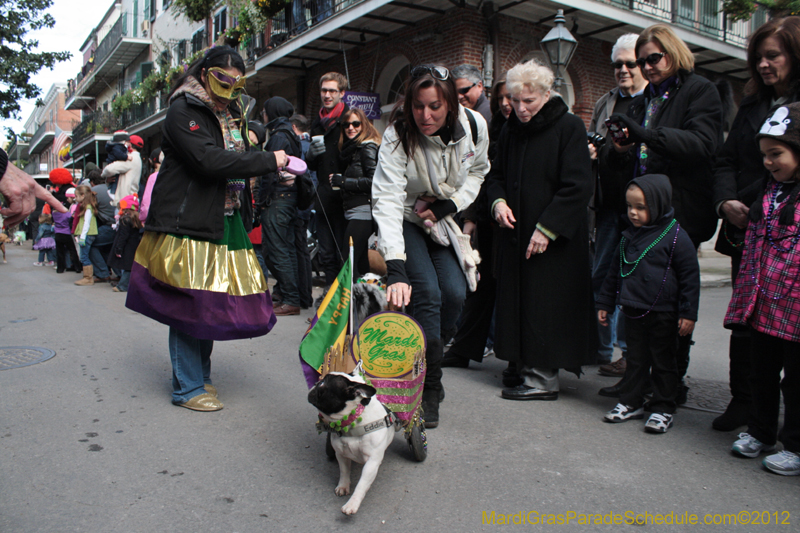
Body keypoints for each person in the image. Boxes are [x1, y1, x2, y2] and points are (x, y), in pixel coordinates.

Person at [125, 46, 286, 412]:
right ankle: (188, 386)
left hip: (222, 218)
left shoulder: (229, 113)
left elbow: (233, 156)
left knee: (209, 304)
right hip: (188, 221)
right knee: (188, 303)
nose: (229, 87)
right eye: (222, 79)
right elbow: (209, 159)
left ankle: (201, 378)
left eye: (236, 82)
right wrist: (268, 160)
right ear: (205, 72)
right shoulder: (184, 109)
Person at [607, 24, 724, 404]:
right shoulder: (645, 98)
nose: (646, 66)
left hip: (682, 214)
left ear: (673, 53)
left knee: (671, 306)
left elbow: (703, 144)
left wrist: (643, 134)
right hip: (644, 216)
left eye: (652, 58)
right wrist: (622, 146)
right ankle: (638, 381)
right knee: (641, 303)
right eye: (642, 61)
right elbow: (637, 150)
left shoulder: (699, 90)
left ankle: (669, 386)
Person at [372, 64, 489, 428]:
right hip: (405, 221)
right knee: (428, 295)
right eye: (418, 106)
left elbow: (478, 172)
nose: (426, 115)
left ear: (451, 103)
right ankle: (429, 386)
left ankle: (427, 352)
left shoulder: (473, 126)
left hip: (439, 221)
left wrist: (446, 207)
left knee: (454, 293)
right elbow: (388, 200)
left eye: (435, 106)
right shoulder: (396, 136)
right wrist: (396, 269)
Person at [486, 60, 596, 401]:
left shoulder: (569, 126)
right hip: (516, 233)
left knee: (545, 305)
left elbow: (578, 185)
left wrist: (547, 229)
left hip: (554, 239)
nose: (520, 108)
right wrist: (498, 202)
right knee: (520, 301)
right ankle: (521, 366)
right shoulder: (510, 129)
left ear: (548, 95)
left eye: (529, 101)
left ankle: (542, 378)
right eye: (515, 100)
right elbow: (495, 175)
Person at [712, 16, 800, 432]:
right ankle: (743, 403)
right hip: (744, 228)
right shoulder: (750, 103)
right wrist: (726, 201)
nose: (764, 65)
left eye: (773, 56)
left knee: (788, 332)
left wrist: (749, 198)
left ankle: (787, 422)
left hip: (787, 231)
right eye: (758, 58)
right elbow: (727, 159)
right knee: (745, 321)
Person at [724, 103, 800, 476]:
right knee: (762, 372)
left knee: (797, 381)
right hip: (764, 301)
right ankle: (760, 432)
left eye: (777, 154)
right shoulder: (769, 188)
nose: (769, 163)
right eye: (765, 155)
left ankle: (796, 446)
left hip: (796, 308)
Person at [597, 174, 700, 433]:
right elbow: (613, 272)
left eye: (641, 207)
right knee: (636, 360)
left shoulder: (676, 236)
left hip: (665, 313)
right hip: (633, 310)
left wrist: (688, 313)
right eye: (630, 206)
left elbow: (690, 277)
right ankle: (631, 401)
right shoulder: (628, 236)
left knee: (664, 362)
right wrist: (606, 304)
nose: (633, 213)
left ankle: (663, 407)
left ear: (659, 204)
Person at [588, 34, 649, 380]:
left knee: (635, 280)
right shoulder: (606, 102)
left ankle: (628, 354)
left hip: (643, 210)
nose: (623, 70)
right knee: (602, 276)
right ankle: (601, 350)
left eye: (631, 63)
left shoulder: (652, 102)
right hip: (609, 206)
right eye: (618, 64)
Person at [442, 72, 511, 374]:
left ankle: (502, 353)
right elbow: (483, 177)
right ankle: (465, 347)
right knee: (480, 287)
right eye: (503, 99)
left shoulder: (480, 122)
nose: (509, 104)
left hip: (509, 217)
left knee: (495, 288)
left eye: (515, 98)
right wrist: (472, 218)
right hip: (488, 215)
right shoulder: (493, 125)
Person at [260, 96, 304, 316]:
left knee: (276, 250)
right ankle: (285, 295)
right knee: (283, 249)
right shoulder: (290, 134)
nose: (262, 114)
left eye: (265, 111)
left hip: (278, 199)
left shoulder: (278, 136)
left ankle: (290, 299)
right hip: (288, 199)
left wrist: (260, 201)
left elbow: (269, 171)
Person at [307, 72, 350, 299]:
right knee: (326, 253)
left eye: (332, 91)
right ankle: (330, 302)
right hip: (324, 197)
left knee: (344, 253)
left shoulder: (349, 119)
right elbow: (313, 165)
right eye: (324, 90)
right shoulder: (318, 123)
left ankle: (345, 302)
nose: (327, 95)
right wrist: (310, 155)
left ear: (342, 93)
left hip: (345, 197)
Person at [333, 106, 380, 278]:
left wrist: (344, 182)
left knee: (348, 264)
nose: (350, 128)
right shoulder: (350, 150)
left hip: (363, 213)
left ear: (364, 125)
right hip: (353, 212)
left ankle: (351, 303)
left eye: (355, 124)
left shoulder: (366, 147)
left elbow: (374, 181)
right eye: (346, 125)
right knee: (359, 264)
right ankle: (366, 303)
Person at [290, 113, 315, 309]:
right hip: (309, 207)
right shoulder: (312, 146)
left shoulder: (299, 148)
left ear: (294, 127)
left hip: (300, 206)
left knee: (299, 251)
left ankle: (302, 297)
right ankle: (305, 296)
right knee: (303, 251)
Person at [87, 170, 117, 283]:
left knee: (91, 244)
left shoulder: (94, 191)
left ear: (92, 182)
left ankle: (102, 273)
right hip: (118, 224)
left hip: (109, 225)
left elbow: (88, 211)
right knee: (109, 247)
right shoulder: (112, 187)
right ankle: (118, 272)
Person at [108, 194, 142, 293]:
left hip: (126, 247)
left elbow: (123, 236)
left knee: (127, 267)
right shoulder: (136, 218)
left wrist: (118, 248)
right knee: (130, 266)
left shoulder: (125, 220)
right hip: (133, 246)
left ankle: (122, 285)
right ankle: (124, 283)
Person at [101, 134, 142, 204]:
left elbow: (109, 169)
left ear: (130, 145)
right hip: (132, 198)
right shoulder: (138, 159)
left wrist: (102, 175)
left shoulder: (131, 158)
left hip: (124, 201)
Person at [72, 185, 99, 286]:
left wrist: (82, 237)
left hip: (87, 234)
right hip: (89, 234)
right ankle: (88, 277)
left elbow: (86, 223)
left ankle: (88, 278)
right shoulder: (89, 206)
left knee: (84, 257)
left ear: (83, 195)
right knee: (86, 255)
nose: (75, 198)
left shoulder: (88, 207)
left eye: (77, 196)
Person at [139, 148, 163, 223]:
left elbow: (146, 204)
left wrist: (142, 219)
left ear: (152, 161)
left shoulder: (153, 177)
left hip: (154, 221)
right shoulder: (173, 176)